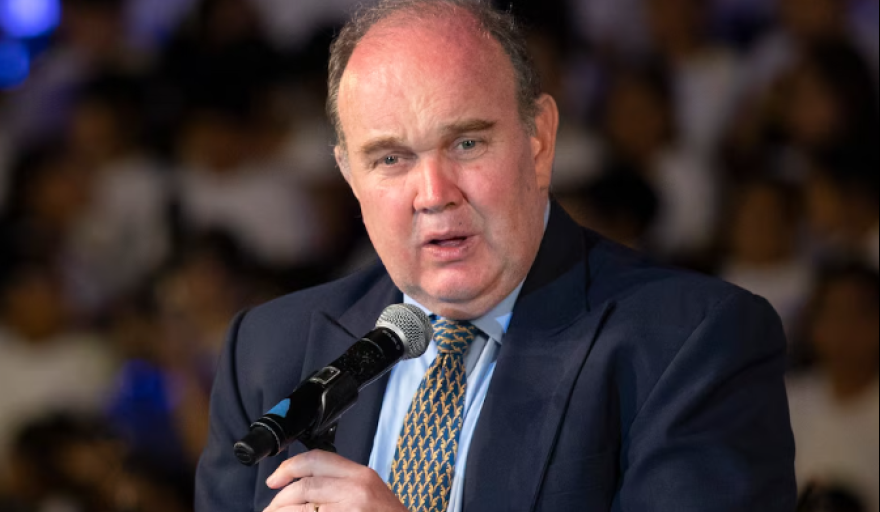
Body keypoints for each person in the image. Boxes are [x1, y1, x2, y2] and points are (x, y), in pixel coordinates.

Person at [196, 1, 796, 511]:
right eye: (390, 158)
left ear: (540, 141)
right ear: (349, 175)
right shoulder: (266, 352)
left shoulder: (692, 343)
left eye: (466, 143)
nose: (434, 194)